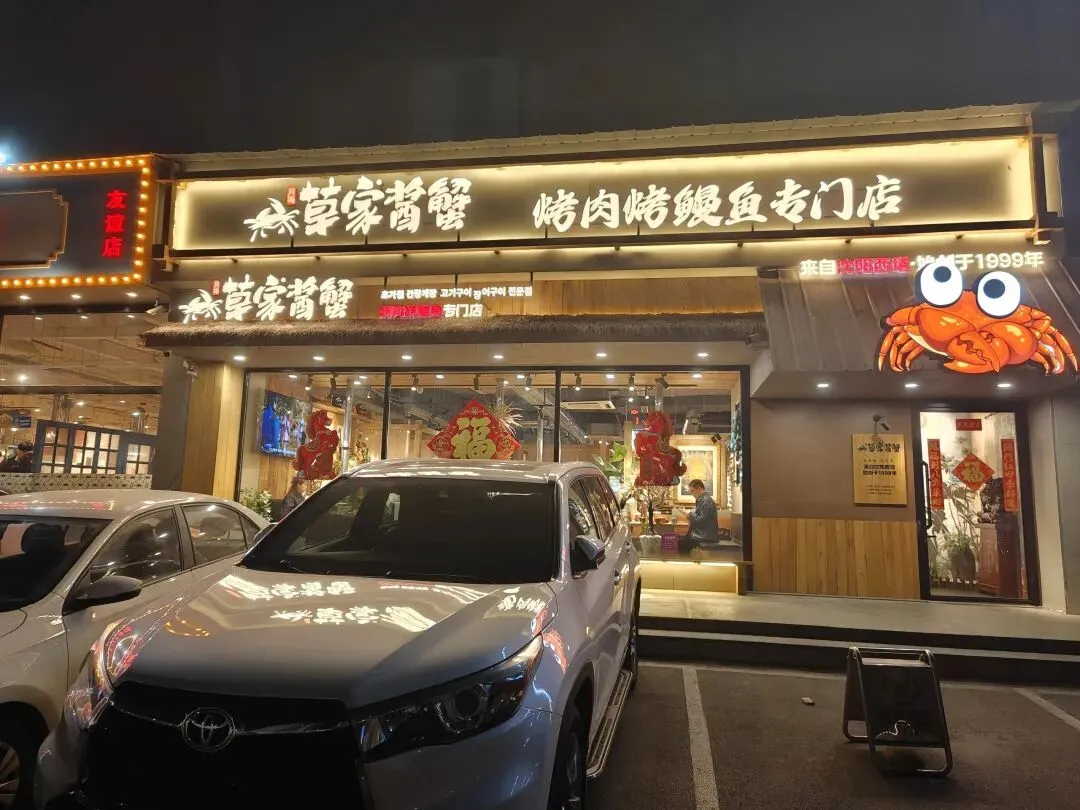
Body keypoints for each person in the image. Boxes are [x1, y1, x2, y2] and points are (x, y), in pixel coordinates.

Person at [681, 478, 719, 554]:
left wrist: (689, 515)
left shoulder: (706, 501)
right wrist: (690, 515)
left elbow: (701, 520)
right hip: (703, 534)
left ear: (699, 488)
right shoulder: (703, 499)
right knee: (682, 542)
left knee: (681, 546)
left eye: (692, 491)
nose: (691, 494)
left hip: (704, 536)